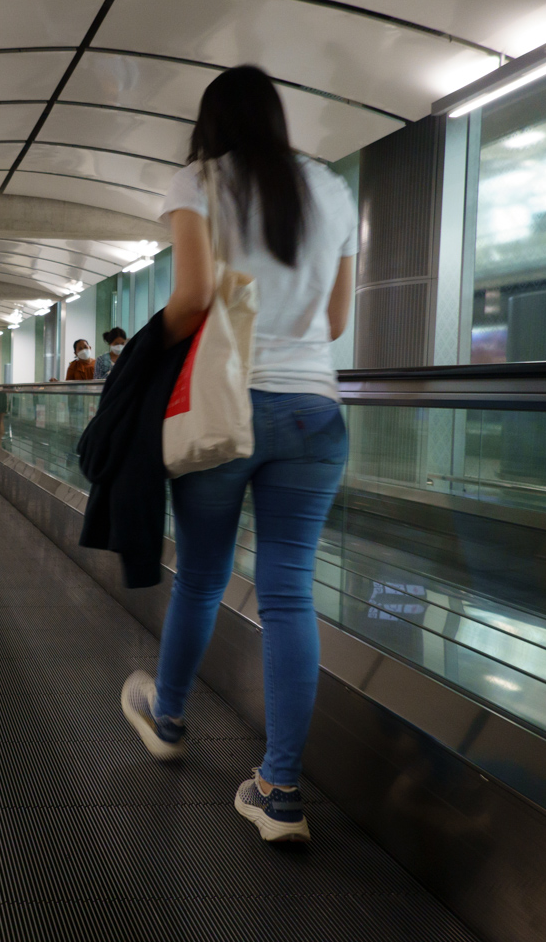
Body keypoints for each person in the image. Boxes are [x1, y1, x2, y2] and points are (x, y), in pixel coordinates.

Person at [120, 66, 357, 845]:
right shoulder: (333, 189)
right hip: (315, 412)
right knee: (289, 594)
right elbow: (335, 320)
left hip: (229, 407)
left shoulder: (200, 181)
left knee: (203, 576)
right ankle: (279, 791)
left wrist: (145, 357)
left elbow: (192, 299)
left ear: (211, 124)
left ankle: (168, 717)